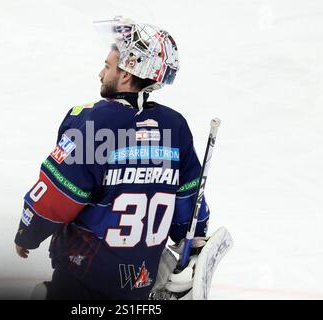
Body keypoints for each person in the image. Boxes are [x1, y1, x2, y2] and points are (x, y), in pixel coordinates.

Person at [14, 17, 210, 300]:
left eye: (107, 66)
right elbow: (188, 202)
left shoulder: (93, 122)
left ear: (126, 75)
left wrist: (27, 232)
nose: (100, 72)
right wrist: (191, 241)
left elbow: (57, 196)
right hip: (141, 282)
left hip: (83, 276)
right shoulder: (175, 127)